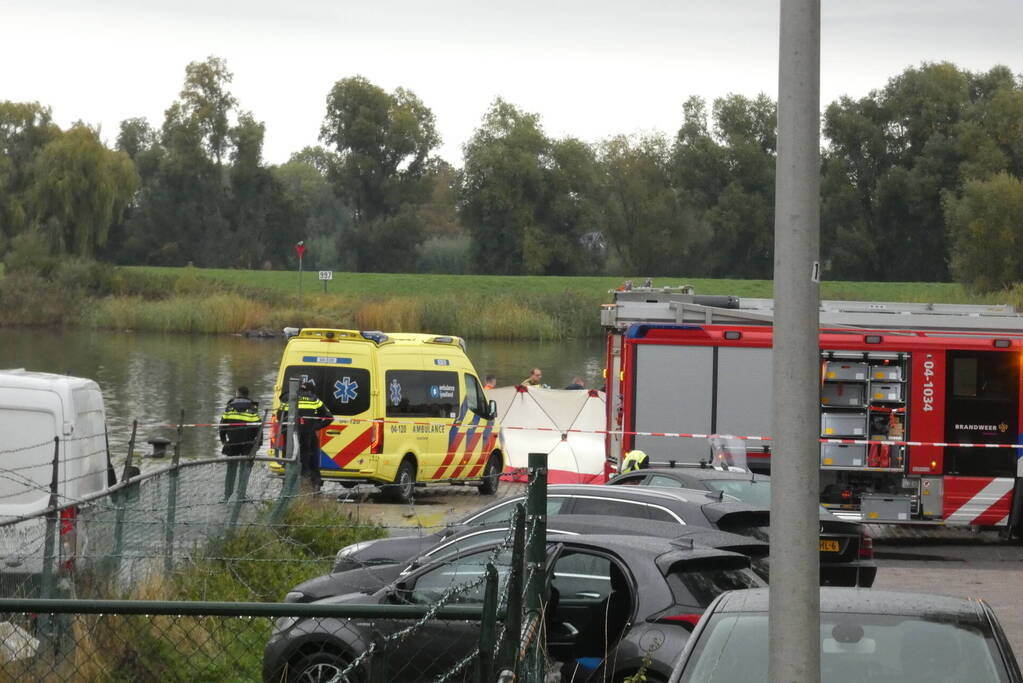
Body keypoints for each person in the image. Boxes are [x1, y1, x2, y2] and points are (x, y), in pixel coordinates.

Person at [278, 378, 333, 491]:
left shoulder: (288, 399)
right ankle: (310, 487)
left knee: (290, 461)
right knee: (309, 461)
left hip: (290, 437)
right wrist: (315, 426)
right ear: (310, 391)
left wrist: (287, 428)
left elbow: (280, 416)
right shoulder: (313, 399)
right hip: (308, 435)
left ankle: (288, 488)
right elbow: (329, 417)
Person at [219, 386, 261, 500]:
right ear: (247, 395)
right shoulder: (252, 408)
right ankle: (241, 495)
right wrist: (258, 443)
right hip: (248, 443)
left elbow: (222, 426)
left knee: (231, 469)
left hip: (232, 443)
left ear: (237, 393)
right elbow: (258, 427)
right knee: (245, 468)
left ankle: (227, 496)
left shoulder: (229, 407)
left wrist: (223, 440)